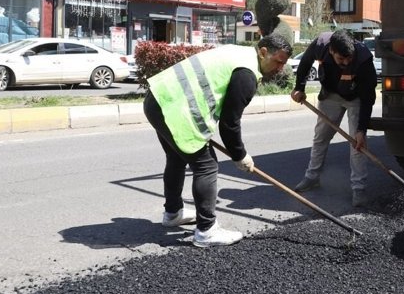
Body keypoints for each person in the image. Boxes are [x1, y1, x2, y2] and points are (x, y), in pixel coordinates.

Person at [143, 34, 292, 247]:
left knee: (176, 159)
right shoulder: (246, 74)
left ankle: (173, 213)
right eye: (278, 61)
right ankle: (206, 231)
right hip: (173, 109)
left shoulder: (239, 53)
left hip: (159, 99)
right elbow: (229, 123)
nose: (280, 68)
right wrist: (240, 155)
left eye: (283, 64)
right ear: (263, 51)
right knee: (207, 165)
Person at [291, 29, 378, 207]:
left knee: (358, 143)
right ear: (331, 51)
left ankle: (359, 189)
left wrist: (361, 129)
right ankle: (312, 177)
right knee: (321, 136)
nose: (345, 63)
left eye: (349, 58)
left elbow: (368, 96)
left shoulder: (363, 58)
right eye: (341, 59)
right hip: (331, 95)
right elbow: (306, 62)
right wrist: (299, 87)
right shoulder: (321, 45)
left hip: (356, 98)